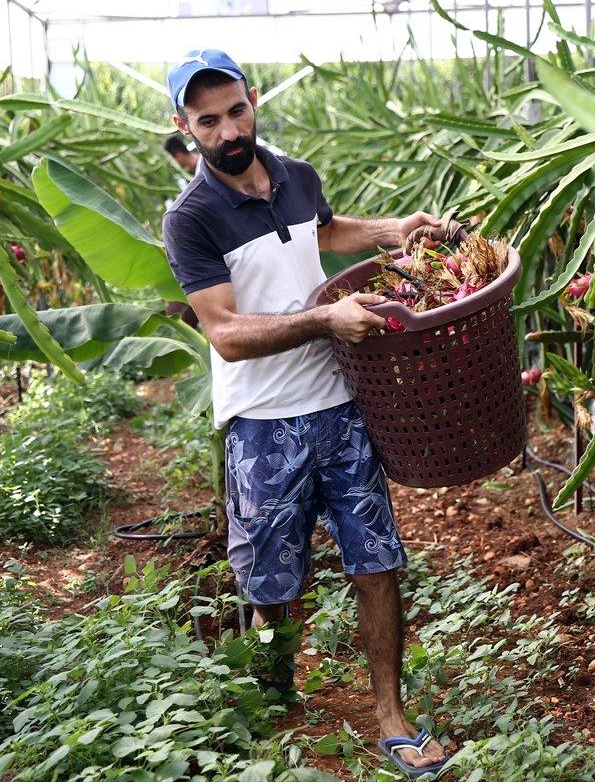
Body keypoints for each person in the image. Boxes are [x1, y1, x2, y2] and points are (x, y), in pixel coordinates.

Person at [161, 49, 449, 777]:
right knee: (268, 585)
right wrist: (324, 321)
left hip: (341, 407)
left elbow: (319, 233)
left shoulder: (294, 175)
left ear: (251, 100)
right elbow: (225, 334)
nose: (228, 130)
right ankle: (271, 691)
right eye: (207, 121)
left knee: (376, 561)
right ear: (183, 126)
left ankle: (390, 714)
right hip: (263, 423)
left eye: (235, 110)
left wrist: (390, 231)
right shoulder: (191, 219)